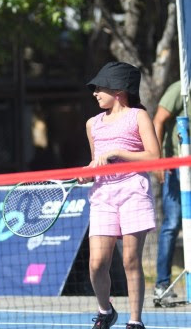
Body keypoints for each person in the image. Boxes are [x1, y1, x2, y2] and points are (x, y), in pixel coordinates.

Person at [79, 62, 161, 329]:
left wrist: (118, 152)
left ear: (119, 90)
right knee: (96, 263)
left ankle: (135, 321)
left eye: (100, 87)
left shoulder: (138, 116)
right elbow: (96, 162)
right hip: (103, 195)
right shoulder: (92, 124)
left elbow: (154, 157)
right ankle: (105, 311)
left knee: (130, 259)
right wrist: (87, 173)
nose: (95, 93)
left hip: (133, 192)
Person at [152, 80, 185, 302]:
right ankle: (162, 284)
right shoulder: (180, 89)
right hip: (177, 167)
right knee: (172, 224)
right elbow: (158, 121)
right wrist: (159, 161)